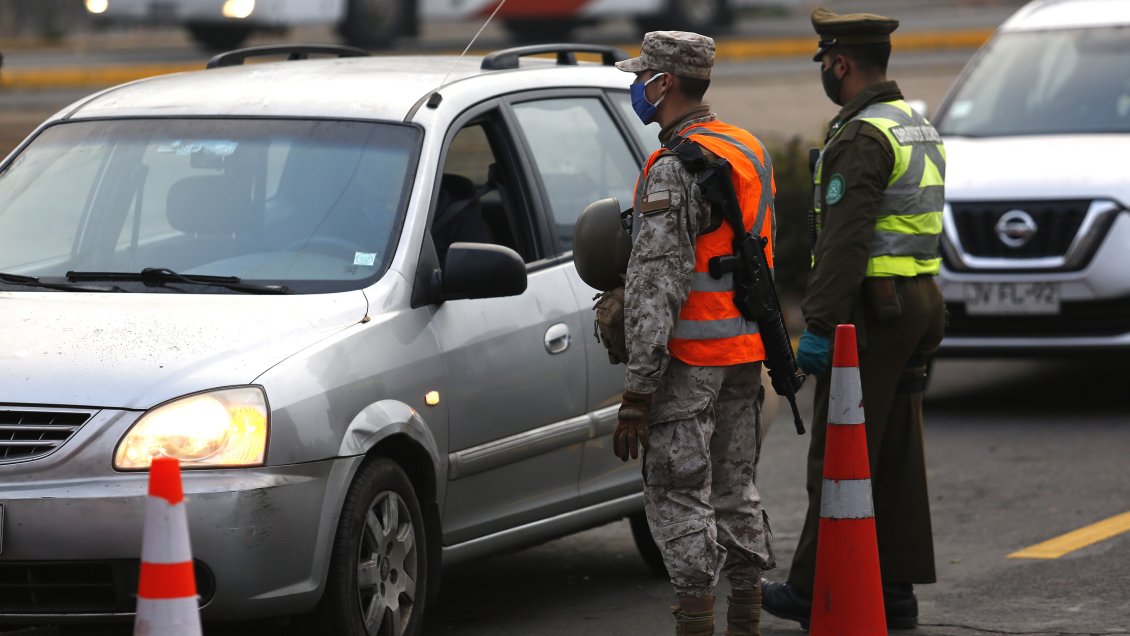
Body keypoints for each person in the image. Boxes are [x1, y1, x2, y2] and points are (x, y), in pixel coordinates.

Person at [759, 7, 947, 630]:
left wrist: (816, 327)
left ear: (839, 64)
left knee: (840, 452)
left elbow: (844, 244)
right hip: (919, 300)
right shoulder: (914, 125)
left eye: (825, 63)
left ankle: (815, 589)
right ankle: (894, 591)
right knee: (893, 452)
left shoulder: (863, 136)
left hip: (876, 309)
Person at [612, 30, 776, 636]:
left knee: (679, 498)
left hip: (689, 362)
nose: (637, 87)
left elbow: (658, 285)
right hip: (744, 354)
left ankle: (697, 626)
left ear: (665, 84)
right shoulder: (747, 147)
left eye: (643, 77)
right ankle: (746, 622)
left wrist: (638, 390)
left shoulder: (673, 169)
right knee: (736, 492)